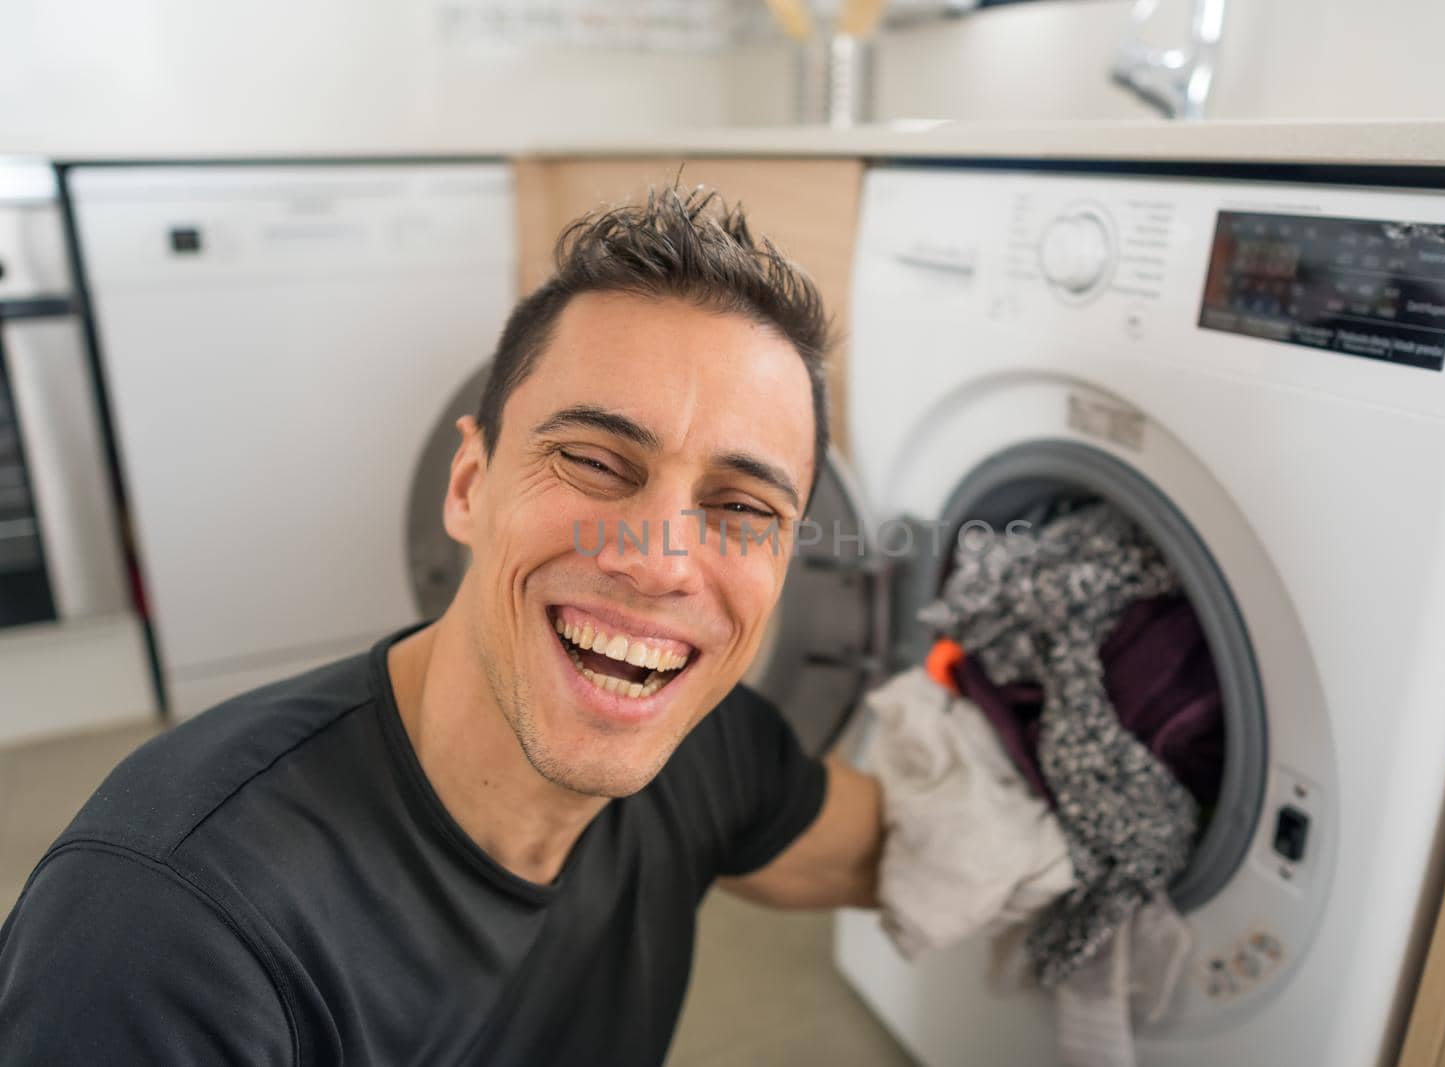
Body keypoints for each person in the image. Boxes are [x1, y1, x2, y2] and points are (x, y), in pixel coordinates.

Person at [0, 186, 886, 1065]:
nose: (660, 560)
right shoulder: (169, 927)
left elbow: (897, 851)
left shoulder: (711, 753)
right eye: (593, 461)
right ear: (468, 482)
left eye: (740, 506)